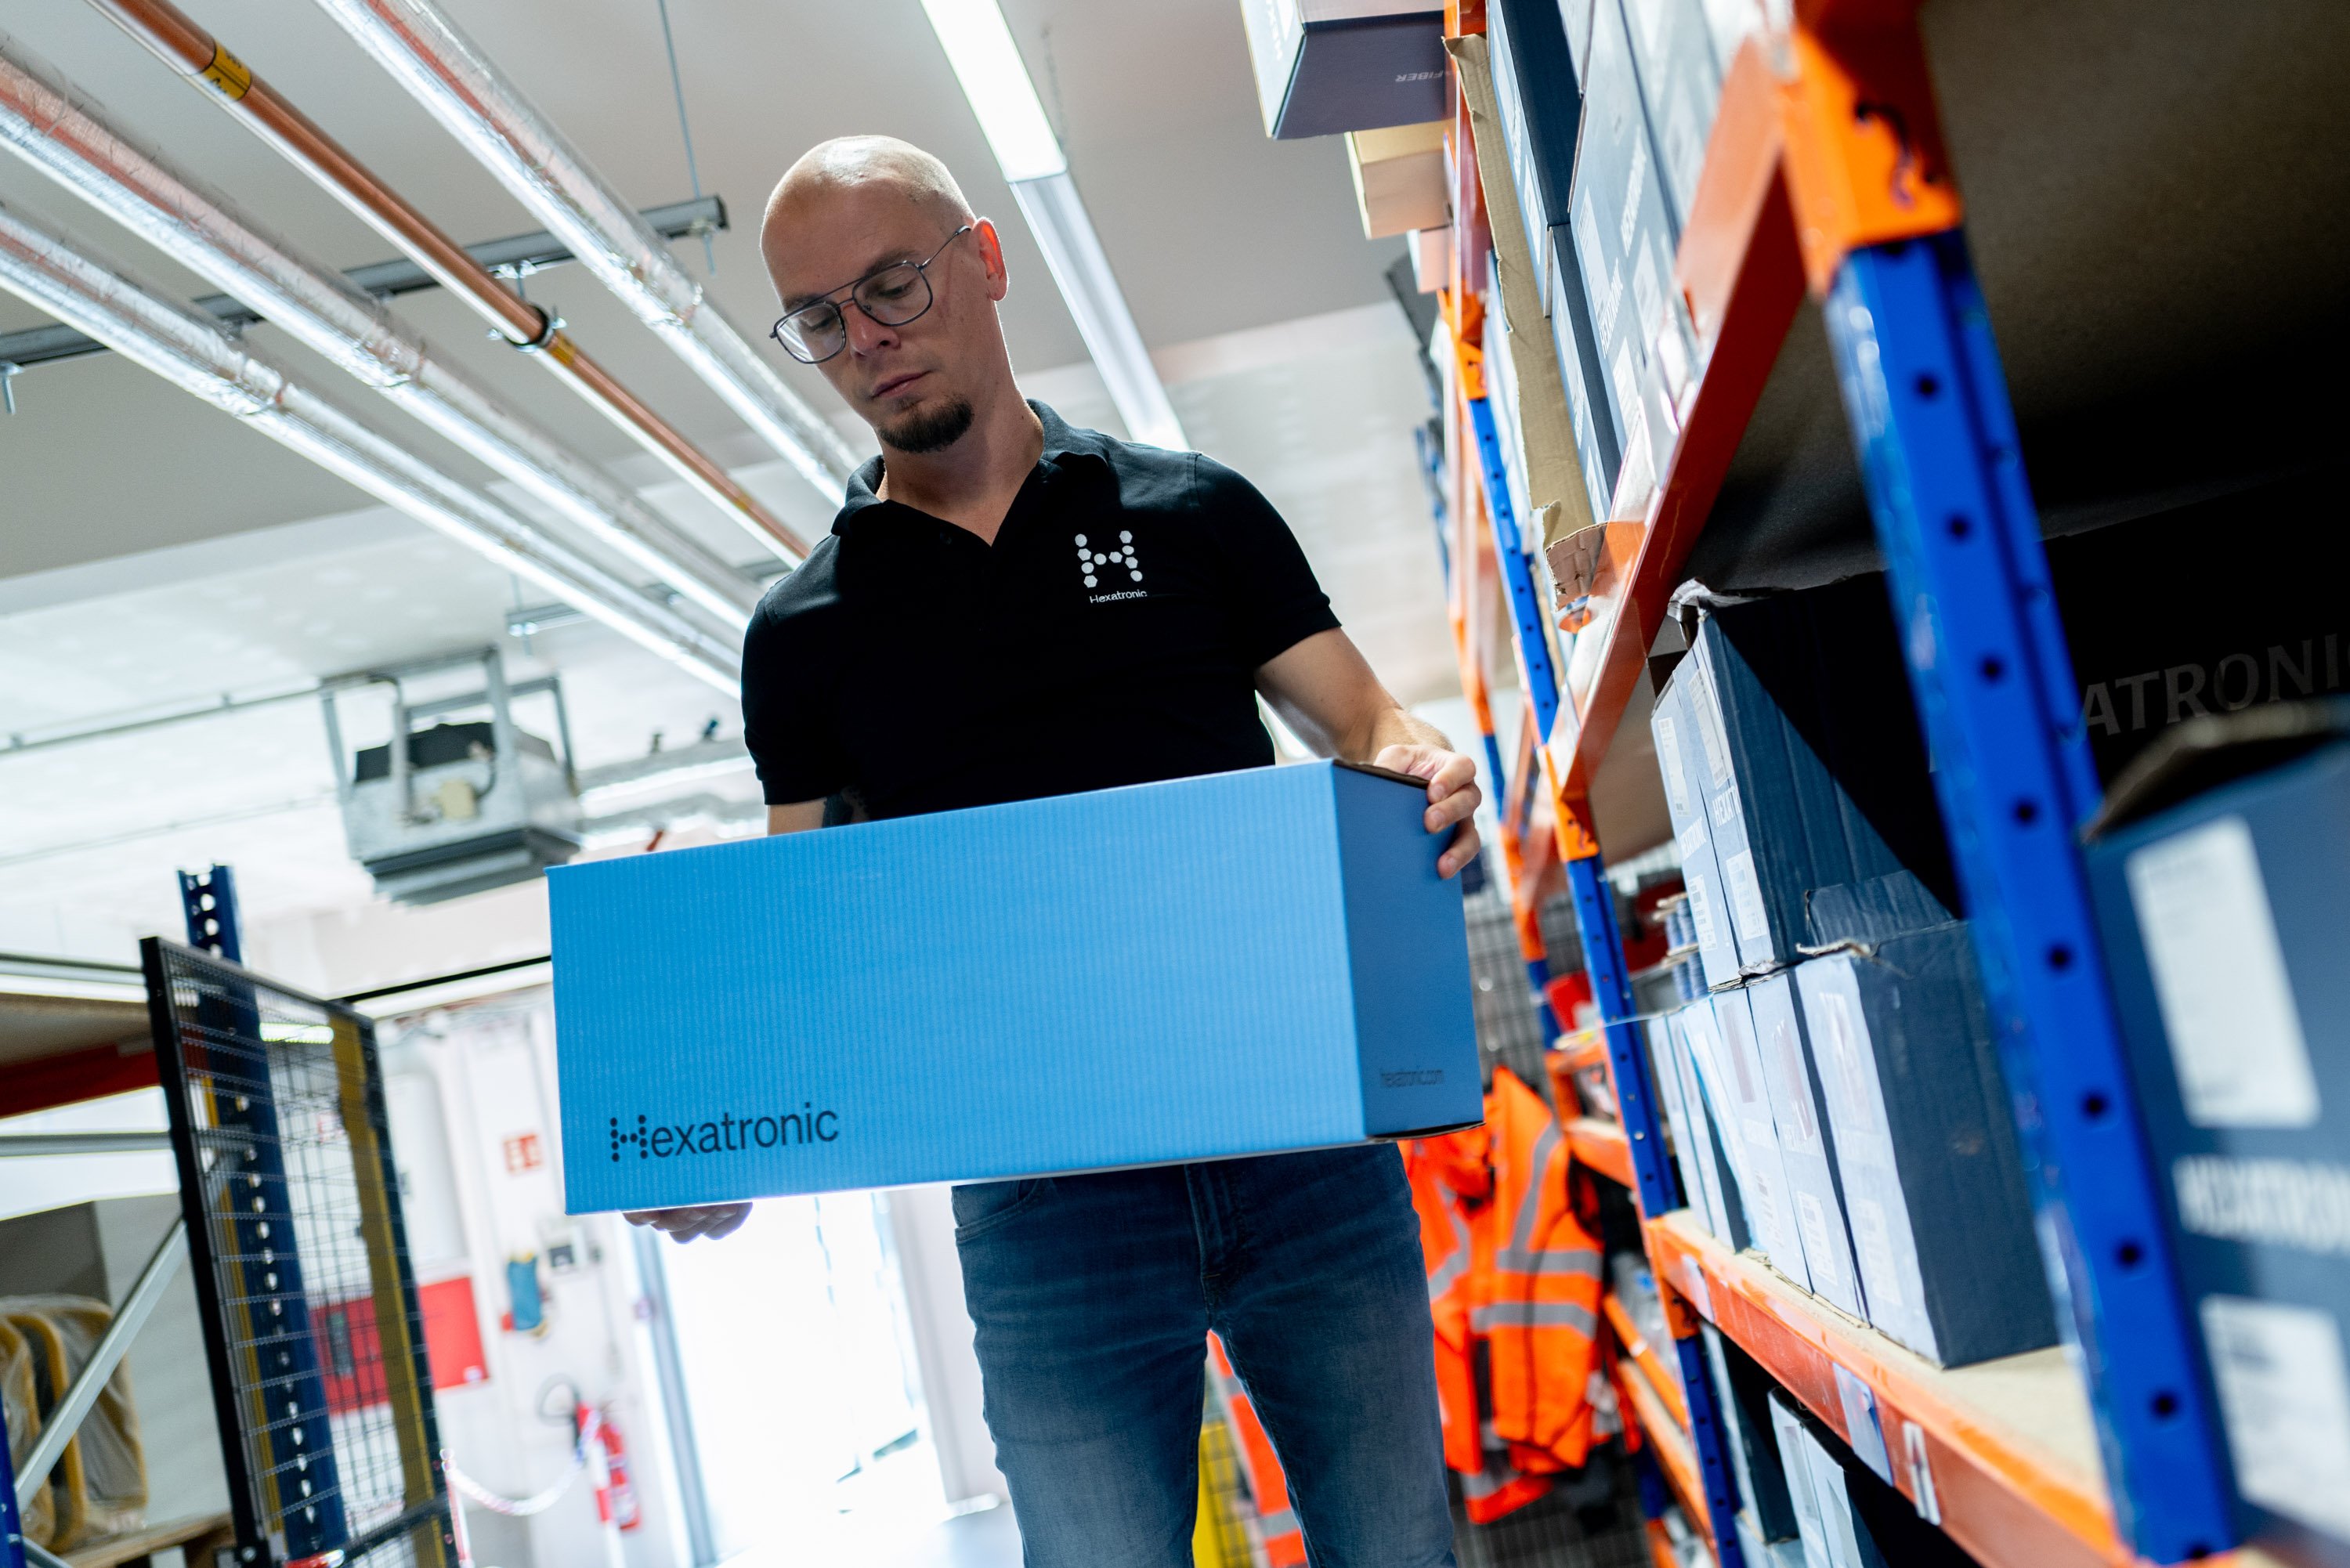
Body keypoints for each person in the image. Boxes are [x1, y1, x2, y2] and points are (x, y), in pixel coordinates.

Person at [627, 135, 1475, 1568]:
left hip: (1298, 1143)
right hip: (1042, 1203)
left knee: (1398, 1551)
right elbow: (803, 927)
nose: (869, 342)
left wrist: (1424, 762)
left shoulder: (1193, 513)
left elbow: (1367, 717)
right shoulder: (806, 634)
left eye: (893, 284)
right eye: (821, 321)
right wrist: (730, 1129)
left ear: (987, 260)